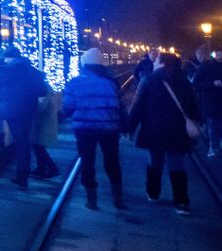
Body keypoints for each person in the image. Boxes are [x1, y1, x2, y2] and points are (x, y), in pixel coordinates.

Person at [129, 53, 201, 215]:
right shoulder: (184, 82)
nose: (153, 63)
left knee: (154, 161)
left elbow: (137, 107)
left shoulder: (148, 81)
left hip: (153, 129)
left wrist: (130, 127)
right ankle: (181, 202)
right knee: (177, 164)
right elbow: (193, 107)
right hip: (177, 130)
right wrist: (196, 121)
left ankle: (153, 193)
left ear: (161, 64)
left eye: (156, 61)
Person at [61, 48, 126, 210]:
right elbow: (119, 106)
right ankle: (117, 199)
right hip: (109, 128)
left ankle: (92, 200)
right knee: (112, 161)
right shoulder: (111, 83)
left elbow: (67, 109)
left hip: (84, 130)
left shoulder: (74, 82)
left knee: (87, 162)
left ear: (83, 63)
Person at [0, 44, 51, 189]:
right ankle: (22, 175)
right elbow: (42, 91)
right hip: (29, 110)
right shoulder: (33, 71)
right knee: (23, 141)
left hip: (12, 110)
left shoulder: (9, 69)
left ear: (9, 57)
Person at [190, 45, 222, 158]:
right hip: (212, 102)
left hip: (212, 101)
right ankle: (213, 147)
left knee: (214, 125)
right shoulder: (205, 67)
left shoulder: (205, 67)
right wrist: (213, 84)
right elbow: (196, 84)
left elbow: (195, 84)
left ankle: (214, 147)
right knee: (214, 124)